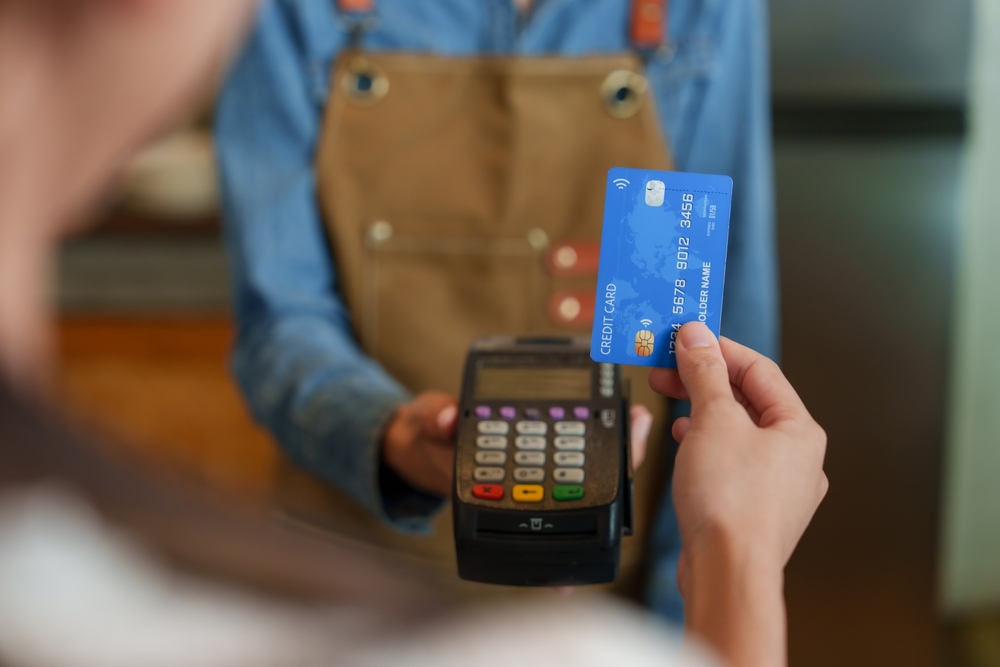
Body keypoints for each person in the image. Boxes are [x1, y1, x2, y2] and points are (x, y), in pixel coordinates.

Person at [0, 3, 825, 666]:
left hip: (607, 573)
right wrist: (735, 559)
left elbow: (718, 331)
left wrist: (680, 610)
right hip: (343, 562)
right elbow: (279, 320)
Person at [215, 0, 778, 615]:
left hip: (601, 597)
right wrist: (392, 435)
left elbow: (719, 342)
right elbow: (279, 318)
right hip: (349, 586)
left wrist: (693, 621)